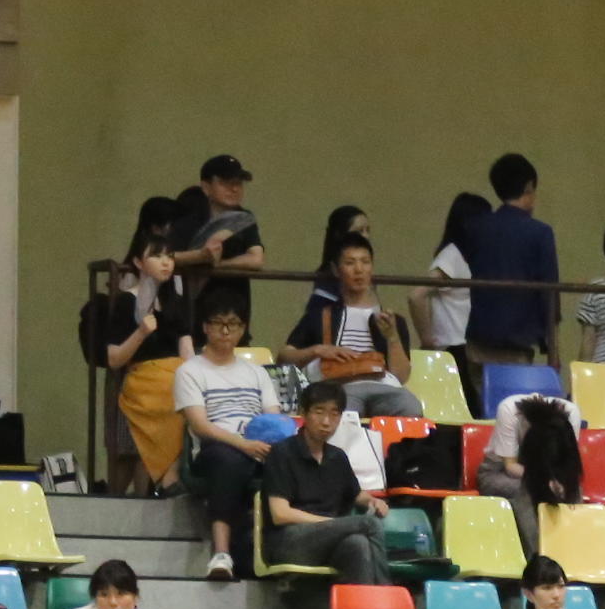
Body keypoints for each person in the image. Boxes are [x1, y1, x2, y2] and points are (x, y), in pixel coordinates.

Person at [171, 300, 277, 580]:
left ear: (243, 329)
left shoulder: (257, 372)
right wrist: (243, 445)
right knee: (228, 460)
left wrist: (264, 443)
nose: (226, 330)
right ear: (206, 327)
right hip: (214, 448)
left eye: (234, 324)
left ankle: (277, 552)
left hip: (257, 444)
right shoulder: (190, 371)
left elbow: (273, 417)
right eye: (219, 323)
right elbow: (201, 426)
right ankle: (221, 553)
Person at [283, 224, 425, 418]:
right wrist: (318, 350)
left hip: (385, 387)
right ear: (336, 269)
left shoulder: (392, 320)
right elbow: (284, 357)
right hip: (339, 387)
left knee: (410, 407)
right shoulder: (320, 315)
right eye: (350, 263)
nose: (359, 270)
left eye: (365, 262)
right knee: (341, 412)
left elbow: (400, 376)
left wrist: (392, 337)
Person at [84, 226, 185, 494]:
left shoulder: (176, 302)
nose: (166, 262)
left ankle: (159, 492)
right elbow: (114, 358)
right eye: (157, 256)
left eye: (170, 256)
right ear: (139, 262)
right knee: (131, 456)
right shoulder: (126, 302)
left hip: (173, 387)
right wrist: (141, 332)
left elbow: (186, 348)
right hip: (142, 387)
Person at [260, 387, 387, 585]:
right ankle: (385, 592)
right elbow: (280, 514)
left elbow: (355, 494)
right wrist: (330, 524)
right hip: (287, 541)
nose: (326, 422)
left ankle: (361, 603)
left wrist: (373, 501)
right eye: (319, 412)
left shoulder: (337, 457)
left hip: (328, 541)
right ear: (304, 413)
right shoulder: (282, 453)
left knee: (358, 544)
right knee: (368, 524)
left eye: (334, 414)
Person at [461, 152, 559, 365]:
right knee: (515, 388)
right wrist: (553, 350)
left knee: (481, 387)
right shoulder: (540, 232)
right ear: (529, 187)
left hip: (477, 338)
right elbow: (549, 293)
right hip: (517, 342)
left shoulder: (476, 228)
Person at [165, 150, 265, 332]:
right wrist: (200, 256)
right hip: (194, 311)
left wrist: (217, 265)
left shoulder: (245, 218)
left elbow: (256, 259)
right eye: (225, 183)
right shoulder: (188, 218)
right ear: (206, 187)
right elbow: (166, 257)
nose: (234, 189)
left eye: (238, 183)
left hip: (235, 306)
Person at [472, 387, 581, 515]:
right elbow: (510, 466)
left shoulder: (570, 415)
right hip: (500, 473)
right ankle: (530, 528)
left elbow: (568, 465)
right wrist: (544, 482)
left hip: (547, 474)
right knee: (534, 491)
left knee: (574, 492)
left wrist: (560, 484)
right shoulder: (509, 410)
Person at [405, 192, 475, 380]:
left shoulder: (467, 256)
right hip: (453, 347)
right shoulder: (452, 255)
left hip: (466, 346)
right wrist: (427, 340)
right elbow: (416, 296)